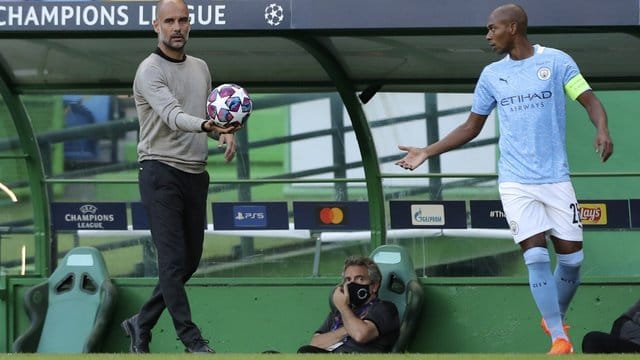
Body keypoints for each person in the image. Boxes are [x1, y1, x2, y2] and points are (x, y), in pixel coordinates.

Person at [396, 3, 613, 355]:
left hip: (555, 178)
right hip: (514, 180)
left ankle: (551, 316)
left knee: (572, 259)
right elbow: (471, 126)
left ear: (513, 28)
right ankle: (560, 336)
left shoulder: (556, 62)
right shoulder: (491, 75)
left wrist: (602, 129)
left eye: (492, 28)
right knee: (536, 255)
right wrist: (427, 151)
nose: (488, 36)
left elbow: (589, 101)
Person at [121, 0, 240, 354]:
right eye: (169, 21)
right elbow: (175, 116)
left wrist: (225, 131)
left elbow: (207, 112)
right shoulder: (149, 70)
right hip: (159, 170)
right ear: (155, 26)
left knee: (188, 263)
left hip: (195, 173)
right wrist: (209, 125)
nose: (177, 27)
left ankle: (140, 322)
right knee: (172, 262)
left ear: (190, 25)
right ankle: (192, 340)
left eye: (183, 20)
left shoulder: (201, 68)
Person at [297, 256, 400, 353]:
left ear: (374, 286)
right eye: (348, 280)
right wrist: (348, 328)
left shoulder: (384, 308)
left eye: (360, 279)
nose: (351, 284)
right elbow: (315, 344)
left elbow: (360, 335)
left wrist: (343, 307)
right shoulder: (338, 313)